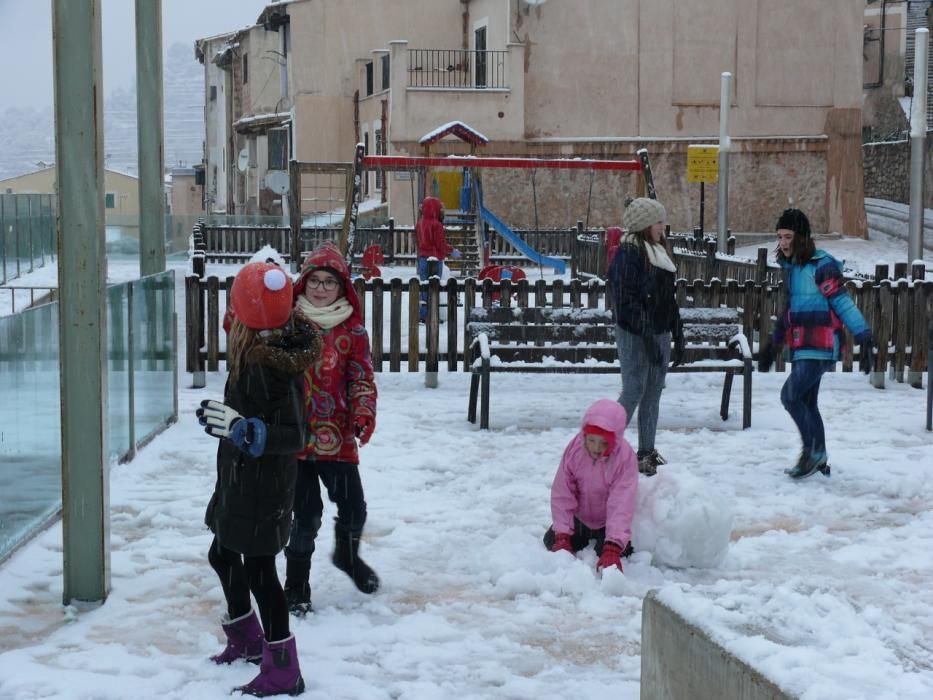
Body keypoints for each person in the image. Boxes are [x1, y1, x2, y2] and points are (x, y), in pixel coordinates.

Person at [198, 261, 321, 697]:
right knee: (222, 553)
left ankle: (283, 669)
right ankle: (247, 640)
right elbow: (246, 412)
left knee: (262, 574)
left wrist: (248, 432)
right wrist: (224, 420)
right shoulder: (252, 347)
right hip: (237, 477)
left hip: (265, 486)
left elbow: (297, 434)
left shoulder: (273, 366)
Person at [283, 242, 380, 616]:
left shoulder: (352, 330)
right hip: (293, 438)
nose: (321, 289)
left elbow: (360, 376)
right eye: (314, 281)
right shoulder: (287, 323)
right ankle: (296, 584)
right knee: (305, 516)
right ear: (303, 283)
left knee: (353, 507)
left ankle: (346, 554)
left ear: (342, 289)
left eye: (329, 282)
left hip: (337, 436)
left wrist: (363, 411)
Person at [758, 208, 873, 479]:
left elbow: (841, 302)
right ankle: (818, 454)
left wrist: (864, 337)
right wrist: (773, 344)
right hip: (802, 346)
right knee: (807, 402)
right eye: (780, 237)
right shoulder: (792, 268)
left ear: (802, 237)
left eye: (788, 236)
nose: (783, 242)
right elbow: (788, 311)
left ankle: (813, 452)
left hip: (820, 345)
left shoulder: (822, 266)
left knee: (790, 395)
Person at [607, 197, 684, 476]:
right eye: (658, 221)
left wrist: (677, 331)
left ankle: (646, 452)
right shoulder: (629, 255)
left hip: (659, 331)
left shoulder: (658, 252)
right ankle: (603, 446)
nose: (663, 226)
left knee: (653, 391)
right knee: (634, 390)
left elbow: (667, 298)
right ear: (644, 224)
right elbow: (625, 301)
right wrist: (647, 333)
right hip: (634, 332)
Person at [543, 399, 638, 572]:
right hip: (580, 518)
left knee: (610, 553)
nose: (596, 448)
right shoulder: (575, 451)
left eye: (604, 443)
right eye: (592, 440)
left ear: (615, 440)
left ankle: (613, 543)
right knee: (551, 541)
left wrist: (613, 545)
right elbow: (563, 493)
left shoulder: (624, 459)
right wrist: (563, 534)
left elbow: (621, 503)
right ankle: (571, 537)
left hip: (606, 521)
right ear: (584, 435)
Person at [415, 196, 460, 321]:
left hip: (423, 259)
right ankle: (433, 314)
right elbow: (440, 244)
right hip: (435, 260)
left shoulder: (420, 224)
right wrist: (452, 251)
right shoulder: (437, 225)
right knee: (434, 287)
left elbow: (418, 242)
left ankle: (423, 314)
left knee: (424, 288)